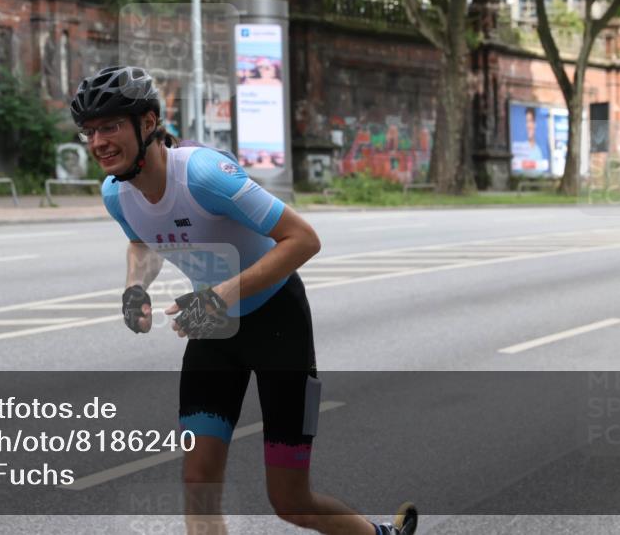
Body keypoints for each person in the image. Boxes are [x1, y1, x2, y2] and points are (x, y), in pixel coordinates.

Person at [70, 65, 417, 535]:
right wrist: (136, 288)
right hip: (214, 334)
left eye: (110, 126)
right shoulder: (116, 194)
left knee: (291, 501)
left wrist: (220, 295)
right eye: (89, 131)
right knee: (198, 481)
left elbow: (303, 239)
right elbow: (142, 241)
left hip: (279, 327)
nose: (98, 143)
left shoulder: (205, 175)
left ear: (148, 123)